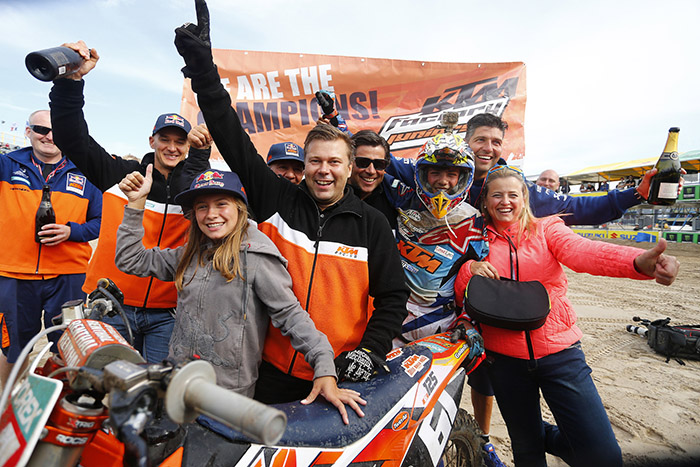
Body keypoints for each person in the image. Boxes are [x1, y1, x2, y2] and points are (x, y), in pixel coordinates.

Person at [174, 2, 409, 404]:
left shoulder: (371, 224)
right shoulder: (276, 199)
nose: (323, 170)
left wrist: (371, 350)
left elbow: (393, 298)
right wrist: (203, 72)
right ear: (304, 164)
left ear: (349, 167)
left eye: (334, 162)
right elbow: (232, 136)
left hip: (337, 375)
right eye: (314, 160)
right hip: (265, 369)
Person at [454, 165, 680, 466]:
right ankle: (529, 434)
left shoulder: (548, 228)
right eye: (497, 195)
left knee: (602, 455)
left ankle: (538, 433)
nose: (505, 202)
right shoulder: (473, 239)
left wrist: (637, 263)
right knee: (527, 453)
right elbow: (457, 292)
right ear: (485, 202)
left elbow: (583, 252)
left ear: (525, 199)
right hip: (504, 360)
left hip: (560, 354)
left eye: (513, 195)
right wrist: (469, 270)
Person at [114, 166, 364, 424]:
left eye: (221, 204)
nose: (211, 214)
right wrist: (135, 205)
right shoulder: (191, 253)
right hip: (179, 381)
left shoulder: (257, 257)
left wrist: (325, 369)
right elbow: (129, 260)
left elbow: (292, 317)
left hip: (226, 396)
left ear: (239, 208)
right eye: (201, 206)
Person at [47, 41, 211, 363]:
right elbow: (71, 138)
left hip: (167, 313)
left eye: (180, 142)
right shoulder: (120, 174)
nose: (173, 148)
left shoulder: (192, 189)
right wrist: (70, 82)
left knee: (155, 397)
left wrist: (202, 154)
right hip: (109, 305)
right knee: (97, 391)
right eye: (165, 139)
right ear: (152, 140)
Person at [0, 110, 101, 386]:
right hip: (15, 274)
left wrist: (72, 231)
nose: (49, 136)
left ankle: (57, 415)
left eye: (55, 130)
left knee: (68, 348)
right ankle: (8, 406)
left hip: (68, 275)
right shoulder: (6, 165)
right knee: (13, 350)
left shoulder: (87, 172)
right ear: (28, 131)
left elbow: (102, 222)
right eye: (41, 129)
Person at [348, 130, 398, 230]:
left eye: (379, 164)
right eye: (363, 162)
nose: (371, 171)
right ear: (348, 162)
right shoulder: (329, 195)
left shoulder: (395, 199)